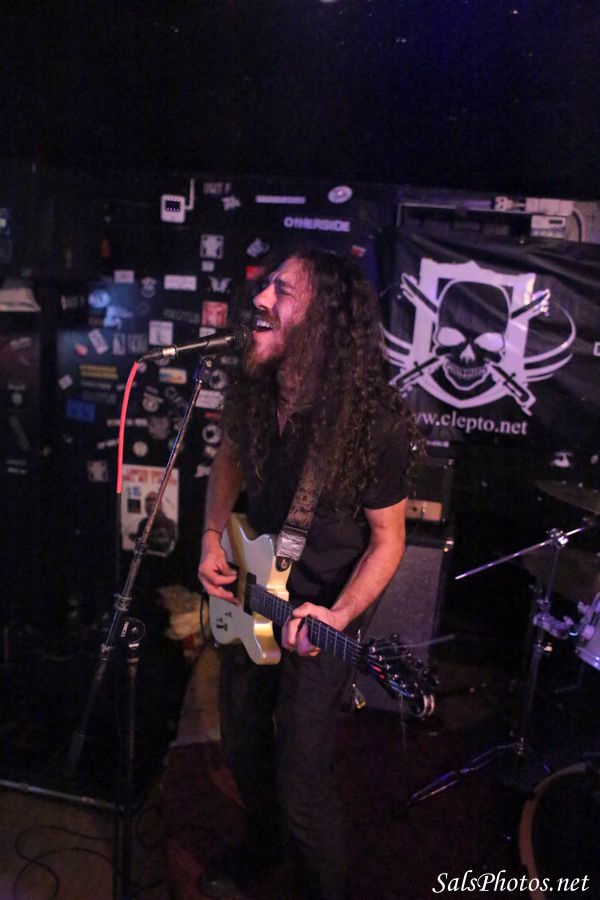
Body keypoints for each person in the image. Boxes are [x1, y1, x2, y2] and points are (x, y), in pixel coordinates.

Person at [197, 248, 424, 899]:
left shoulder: (373, 422)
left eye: (283, 292)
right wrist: (212, 534)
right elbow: (229, 459)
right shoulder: (257, 387)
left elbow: (388, 541)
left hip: (324, 606)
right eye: (266, 286)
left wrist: (340, 615)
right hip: (256, 585)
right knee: (242, 736)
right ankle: (264, 843)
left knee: (301, 771)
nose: (260, 300)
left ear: (324, 319)